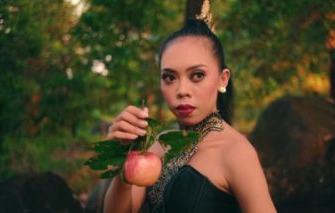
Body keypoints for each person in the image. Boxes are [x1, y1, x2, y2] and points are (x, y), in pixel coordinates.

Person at [103, 18, 277, 213]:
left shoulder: (236, 152)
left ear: (223, 79)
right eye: (169, 77)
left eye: (197, 75)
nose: (182, 90)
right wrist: (124, 156)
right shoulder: (160, 144)